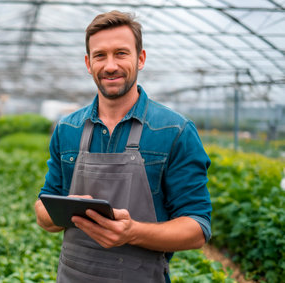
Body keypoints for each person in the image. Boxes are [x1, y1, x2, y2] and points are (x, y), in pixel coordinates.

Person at [35, 10, 212, 283]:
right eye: (100, 55)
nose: (110, 66)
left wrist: (132, 232)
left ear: (140, 59)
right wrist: (66, 210)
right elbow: (44, 210)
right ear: (88, 62)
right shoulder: (67, 129)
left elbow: (197, 228)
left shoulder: (174, 131)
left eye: (121, 53)